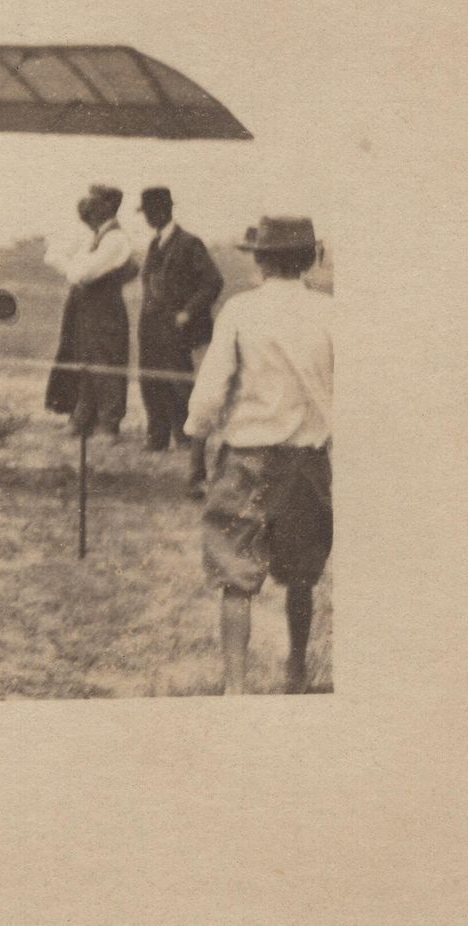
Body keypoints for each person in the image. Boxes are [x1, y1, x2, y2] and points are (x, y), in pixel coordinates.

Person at [189, 216, 332, 694]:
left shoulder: (241, 310)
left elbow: (211, 390)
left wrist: (197, 437)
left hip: (247, 461)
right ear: (311, 259)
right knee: (302, 575)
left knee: (236, 574)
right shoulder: (331, 313)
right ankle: (297, 669)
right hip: (308, 461)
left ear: (261, 261)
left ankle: (236, 685)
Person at [137, 185, 226, 469]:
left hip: (176, 328)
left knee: (179, 382)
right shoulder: (154, 244)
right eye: (145, 212)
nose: (147, 218)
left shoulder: (189, 243)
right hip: (151, 326)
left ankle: (185, 438)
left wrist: (188, 312)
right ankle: (157, 438)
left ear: (163, 211)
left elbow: (213, 282)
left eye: (150, 212)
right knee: (151, 380)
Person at [44, 185, 139, 436]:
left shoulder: (115, 239)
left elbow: (83, 273)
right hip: (88, 308)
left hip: (105, 309)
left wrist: (74, 265)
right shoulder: (94, 237)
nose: (88, 205)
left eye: (94, 201)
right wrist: (75, 266)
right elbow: (55, 256)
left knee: (105, 362)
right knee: (84, 359)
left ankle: (109, 425)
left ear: (108, 206)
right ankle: (82, 419)